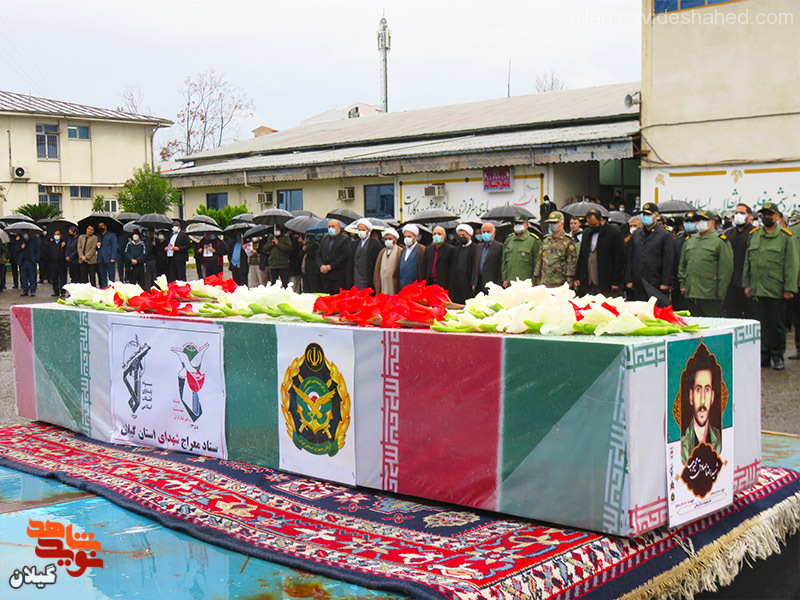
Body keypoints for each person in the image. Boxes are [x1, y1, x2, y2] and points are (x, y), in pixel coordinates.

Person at [742, 202, 799, 370]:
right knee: (762, 324)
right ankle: (764, 355)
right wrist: (747, 284)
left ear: (777, 216)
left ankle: (777, 356)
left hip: (776, 289)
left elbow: (791, 265)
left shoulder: (786, 237)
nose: (766, 217)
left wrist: (789, 288)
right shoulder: (754, 235)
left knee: (777, 325)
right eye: (764, 214)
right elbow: (748, 262)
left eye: (770, 214)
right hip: (757, 288)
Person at [678, 210, 733, 317]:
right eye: (698, 220)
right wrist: (683, 285)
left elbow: (726, 269)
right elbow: (683, 265)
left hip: (710, 293)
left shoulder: (720, 241)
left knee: (712, 321)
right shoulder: (690, 240)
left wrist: (720, 293)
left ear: (712, 223)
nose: (700, 223)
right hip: (691, 292)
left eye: (704, 220)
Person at [625, 203, 675, 305]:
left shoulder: (664, 235)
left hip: (655, 281)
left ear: (656, 216)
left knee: (655, 308)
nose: (646, 217)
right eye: (644, 215)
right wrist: (628, 279)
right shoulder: (637, 234)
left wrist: (665, 282)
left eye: (649, 214)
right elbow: (630, 257)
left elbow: (668, 259)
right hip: (638, 280)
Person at [680, 343, 723, 464]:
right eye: (698, 390)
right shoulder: (683, 445)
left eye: (707, 390)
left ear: (712, 397)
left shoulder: (718, 440)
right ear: (691, 397)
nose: (703, 400)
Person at [575, 208, 625, 296]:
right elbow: (582, 256)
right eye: (590, 225)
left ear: (601, 220)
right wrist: (578, 277)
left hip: (606, 281)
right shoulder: (586, 233)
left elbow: (618, 259)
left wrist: (616, 281)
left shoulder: (614, 233)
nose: (592, 226)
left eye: (594, 224)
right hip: (588, 280)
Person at [723, 203, 756, 319]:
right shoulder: (728, 233)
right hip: (731, 283)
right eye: (736, 213)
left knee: (750, 316)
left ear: (749, 216)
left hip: (747, 283)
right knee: (731, 315)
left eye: (742, 213)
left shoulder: (755, 233)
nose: (738, 215)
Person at [534, 211, 577, 288]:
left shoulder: (568, 241)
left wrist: (569, 280)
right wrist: (537, 277)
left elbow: (571, 262)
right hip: (545, 281)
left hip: (560, 282)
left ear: (562, 223)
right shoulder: (546, 240)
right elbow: (540, 260)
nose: (552, 225)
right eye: (550, 223)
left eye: (555, 223)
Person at [502, 215, 540, 286]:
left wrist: (534, 282)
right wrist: (504, 279)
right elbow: (504, 262)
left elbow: (537, 263)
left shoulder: (533, 241)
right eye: (516, 223)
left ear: (527, 225)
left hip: (526, 283)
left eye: (520, 223)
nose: (517, 226)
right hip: (510, 282)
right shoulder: (509, 240)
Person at [319, 220, 351, 294]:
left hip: (338, 276)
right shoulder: (325, 239)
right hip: (325, 276)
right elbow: (318, 254)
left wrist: (331, 266)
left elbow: (345, 255)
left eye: (333, 226)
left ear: (339, 228)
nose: (331, 228)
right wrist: (321, 266)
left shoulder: (345, 239)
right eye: (329, 227)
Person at [349, 218, 382, 290]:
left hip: (368, 277)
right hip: (356, 276)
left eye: (363, 230)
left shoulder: (375, 244)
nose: (361, 232)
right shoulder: (354, 244)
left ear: (368, 231)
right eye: (359, 230)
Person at [450, 224, 477, 304]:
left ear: (469, 235)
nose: (461, 237)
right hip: (458, 282)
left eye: (463, 235)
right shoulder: (457, 249)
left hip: (468, 282)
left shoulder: (475, 248)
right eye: (459, 235)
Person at [472, 222, 503, 293]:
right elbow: (475, 265)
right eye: (483, 232)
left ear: (494, 233)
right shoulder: (479, 247)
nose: (485, 234)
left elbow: (500, 267)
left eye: (488, 232)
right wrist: (474, 282)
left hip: (492, 283)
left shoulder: (500, 247)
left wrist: (498, 284)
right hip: (479, 282)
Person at [424, 225, 454, 290]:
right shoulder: (428, 249)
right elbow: (426, 266)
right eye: (434, 234)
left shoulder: (450, 249)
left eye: (439, 234)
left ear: (444, 236)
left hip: (443, 284)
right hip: (430, 284)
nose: (436, 236)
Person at [373, 228, 402, 294]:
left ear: (395, 239)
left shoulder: (400, 251)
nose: (388, 241)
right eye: (386, 239)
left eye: (390, 239)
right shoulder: (382, 252)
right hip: (383, 284)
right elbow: (377, 270)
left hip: (393, 284)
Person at [398, 224, 426, 290]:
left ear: (415, 237)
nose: (407, 239)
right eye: (405, 237)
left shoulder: (421, 249)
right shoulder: (403, 250)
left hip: (416, 287)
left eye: (409, 237)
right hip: (403, 286)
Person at [45, 229, 68, 297]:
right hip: (53, 263)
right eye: (55, 234)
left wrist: (63, 247)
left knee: (62, 278)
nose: (56, 236)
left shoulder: (64, 243)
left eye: (58, 234)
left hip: (61, 264)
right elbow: (48, 253)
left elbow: (66, 252)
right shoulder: (51, 243)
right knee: (54, 278)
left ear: (61, 235)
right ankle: (56, 291)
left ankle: (63, 291)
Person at [17, 231, 40, 296]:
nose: (25, 235)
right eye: (23, 233)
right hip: (23, 262)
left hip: (31, 262)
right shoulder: (20, 241)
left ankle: (33, 290)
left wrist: (35, 260)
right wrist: (21, 247)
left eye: (26, 233)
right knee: (23, 277)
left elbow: (37, 251)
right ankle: (25, 290)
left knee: (32, 277)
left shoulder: (34, 241)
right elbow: (16, 250)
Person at [95, 221, 117, 288]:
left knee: (111, 275)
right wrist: (97, 246)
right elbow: (96, 248)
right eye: (99, 226)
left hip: (109, 258)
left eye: (102, 226)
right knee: (102, 276)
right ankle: (104, 288)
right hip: (100, 258)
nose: (100, 227)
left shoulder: (112, 235)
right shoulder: (98, 236)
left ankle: (112, 289)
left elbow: (114, 246)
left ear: (105, 227)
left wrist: (113, 257)